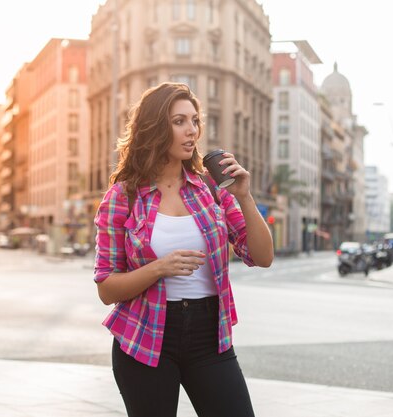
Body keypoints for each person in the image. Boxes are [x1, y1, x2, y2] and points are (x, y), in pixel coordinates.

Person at [93, 82, 274, 417]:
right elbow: (106, 288)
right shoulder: (123, 197)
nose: (191, 131)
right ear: (155, 127)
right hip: (145, 338)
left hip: (210, 337)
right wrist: (159, 268)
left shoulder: (211, 190)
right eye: (179, 121)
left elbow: (262, 257)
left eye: (194, 121)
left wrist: (245, 197)